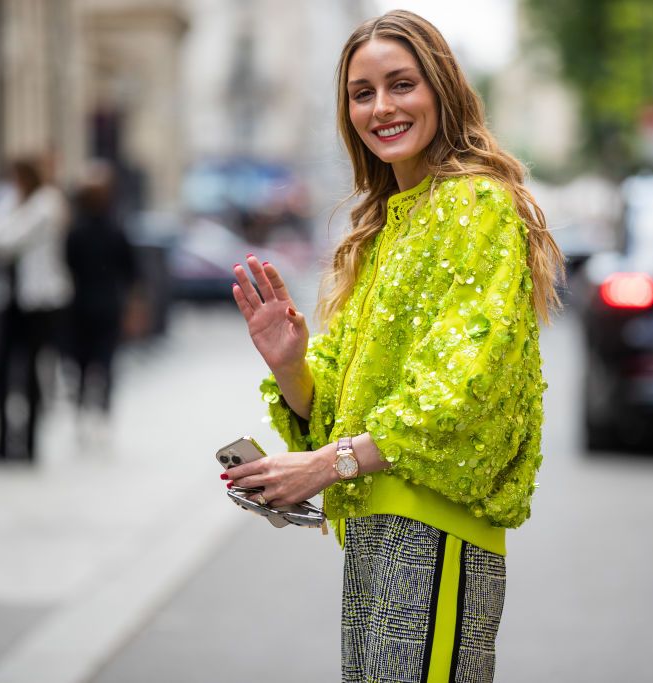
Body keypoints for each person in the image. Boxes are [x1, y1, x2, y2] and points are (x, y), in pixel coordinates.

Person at [225, 10, 564, 682]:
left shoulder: (475, 205)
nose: (381, 107)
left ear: (441, 89)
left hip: (433, 533)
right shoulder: (384, 232)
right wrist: (290, 362)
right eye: (362, 92)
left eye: (401, 84)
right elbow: (336, 415)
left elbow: (463, 387)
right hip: (379, 536)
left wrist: (323, 466)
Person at [0, 157, 73, 462]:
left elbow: (6, 239)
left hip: (38, 302)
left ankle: (29, 444)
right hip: (11, 300)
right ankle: (1, 441)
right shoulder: (14, 201)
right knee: (0, 370)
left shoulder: (46, 203)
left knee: (32, 372)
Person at [64, 161, 139, 445]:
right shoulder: (113, 230)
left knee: (83, 366)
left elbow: (67, 266)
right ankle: (99, 418)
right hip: (104, 306)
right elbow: (131, 273)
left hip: (82, 306)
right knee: (104, 365)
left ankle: (85, 418)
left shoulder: (77, 231)